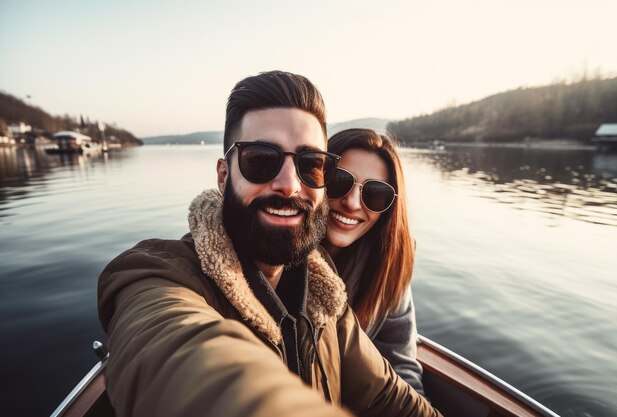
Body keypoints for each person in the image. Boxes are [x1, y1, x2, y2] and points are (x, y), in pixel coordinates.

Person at [97, 71, 442, 417]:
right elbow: (174, 354)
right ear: (223, 175)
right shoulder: (159, 275)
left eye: (311, 165)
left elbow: (389, 396)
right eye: (261, 159)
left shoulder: (325, 299)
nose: (289, 185)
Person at [321, 128, 425, 394]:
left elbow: (400, 366)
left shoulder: (388, 267)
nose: (353, 203)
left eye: (376, 194)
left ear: (389, 208)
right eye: (339, 181)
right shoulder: (277, 252)